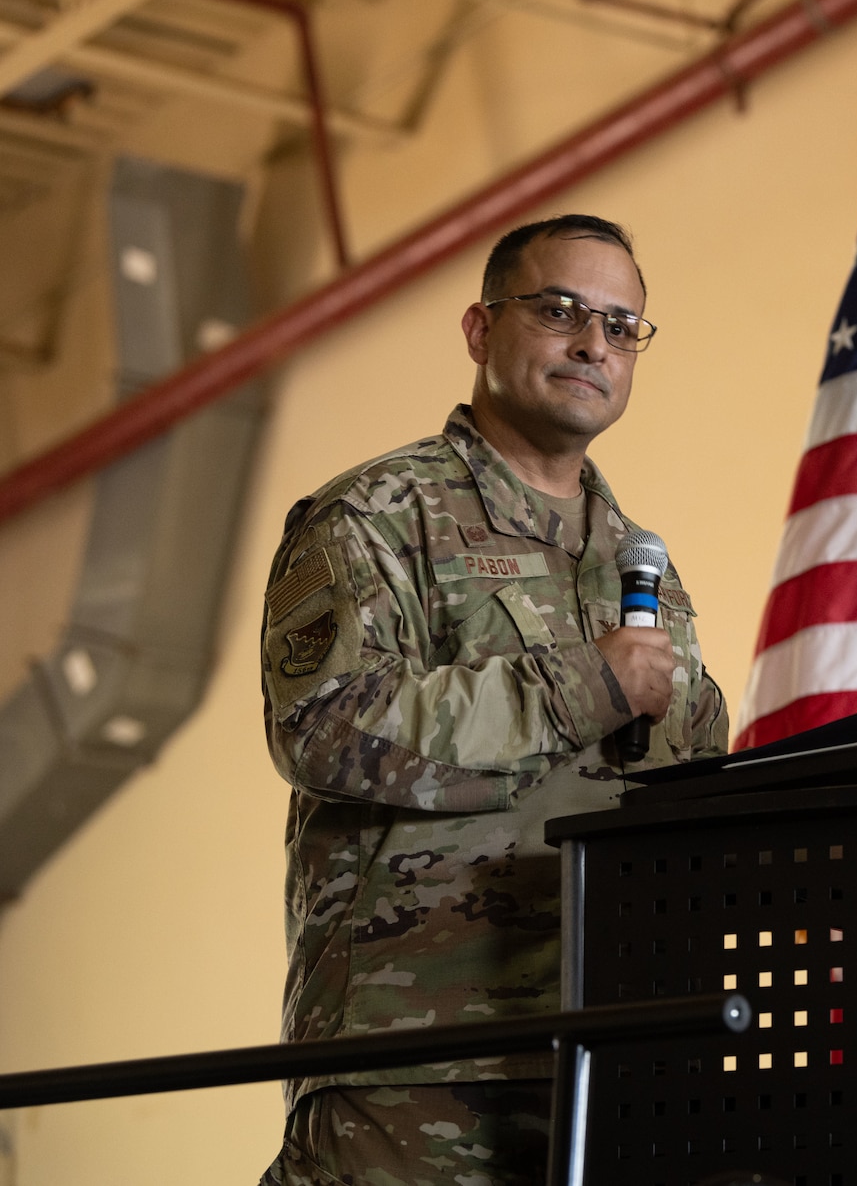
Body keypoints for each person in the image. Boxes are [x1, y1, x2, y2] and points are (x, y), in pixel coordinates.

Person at [258, 215, 727, 1185]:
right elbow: (329, 726)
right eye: (558, 311)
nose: (592, 342)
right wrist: (583, 686)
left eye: (621, 325)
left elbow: (696, 780)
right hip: (419, 1061)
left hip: (613, 1052)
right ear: (478, 330)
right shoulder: (379, 516)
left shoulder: (643, 566)